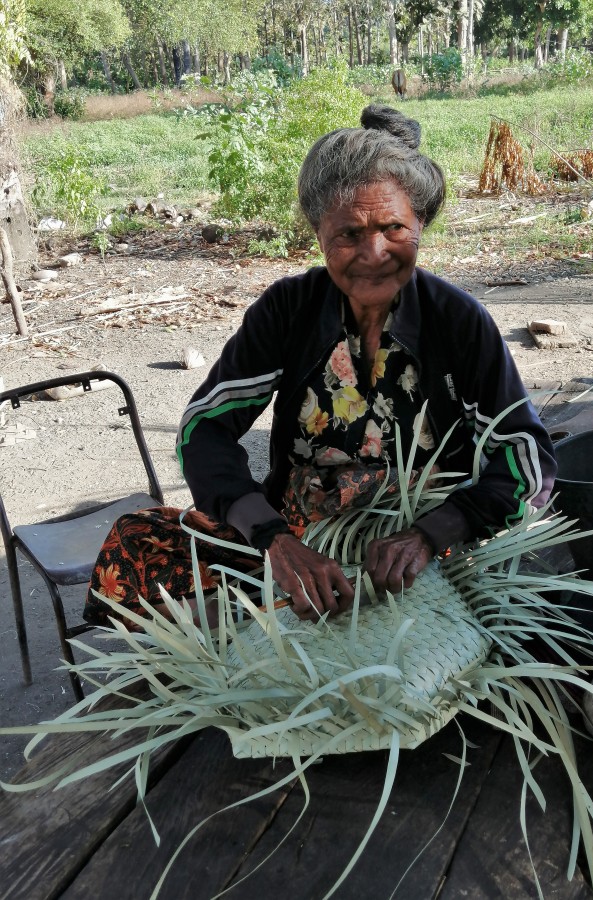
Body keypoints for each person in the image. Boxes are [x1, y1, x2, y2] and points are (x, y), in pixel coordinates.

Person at [84, 105, 556, 627]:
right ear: (317, 232)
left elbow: (526, 455)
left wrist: (432, 534)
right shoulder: (290, 310)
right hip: (302, 542)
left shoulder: (458, 321)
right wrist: (273, 540)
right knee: (135, 541)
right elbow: (203, 430)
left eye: (393, 228)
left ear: (420, 222)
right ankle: (261, 623)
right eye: (349, 234)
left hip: (419, 552)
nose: (374, 253)